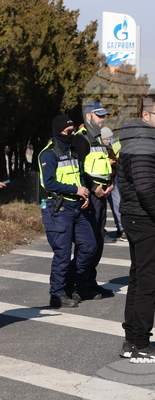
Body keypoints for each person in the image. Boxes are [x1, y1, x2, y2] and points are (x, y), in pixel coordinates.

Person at [117, 95, 155, 363]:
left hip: (137, 217)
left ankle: (132, 341)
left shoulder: (144, 141)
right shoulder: (143, 145)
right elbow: (144, 187)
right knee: (148, 281)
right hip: (145, 219)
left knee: (140, 279)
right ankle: (140, 343)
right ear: (145, 116)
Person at [38, 115, 95, 308]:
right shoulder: (48, 154)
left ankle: (69, 285)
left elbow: (77, 176)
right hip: (59, 209)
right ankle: (57, 294)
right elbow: (49, 183)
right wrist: (75, 191)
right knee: (62, 253)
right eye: (69, 132)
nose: (72, 134)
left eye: (73, 131)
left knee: (89, 247)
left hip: (76, 207)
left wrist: (84, 193)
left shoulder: (72, 151)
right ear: (59, 131)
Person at [72, 102, 117, 302]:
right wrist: (93, 188)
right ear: (88, 116)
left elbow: (106, 164)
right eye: (99, 116)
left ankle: (90, 282)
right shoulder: (81, 139)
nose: (103, 119)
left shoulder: (98, 138)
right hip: (89, 197)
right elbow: (79, 169)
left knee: (98, 241)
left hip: (102, 195)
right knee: (87, 242)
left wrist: (110, 183)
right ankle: (80, 284)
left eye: (104, 115)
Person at [103, 127, 125, 241]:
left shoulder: (113, 146)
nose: (109, 140)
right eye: (107, 138)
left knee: (116, 203)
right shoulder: (109, 147)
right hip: (110, 176)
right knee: (116, 203)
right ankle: (121, 229)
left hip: (113, 176)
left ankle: (121, 229)